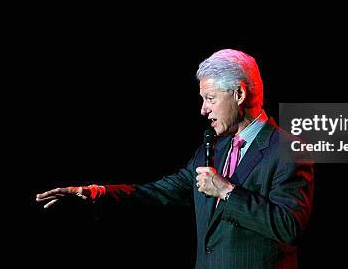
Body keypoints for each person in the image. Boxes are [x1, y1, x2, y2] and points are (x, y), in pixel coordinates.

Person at [36, 49, 314, 268]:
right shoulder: (214, 147)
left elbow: (288, 226)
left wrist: (227, 191)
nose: (203, 110)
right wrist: (95, 193)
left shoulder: (288, 149)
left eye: (210, 98)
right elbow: (159, 192)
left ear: (239, 93)